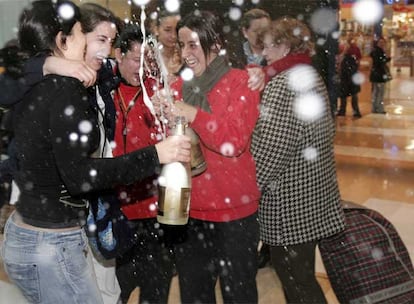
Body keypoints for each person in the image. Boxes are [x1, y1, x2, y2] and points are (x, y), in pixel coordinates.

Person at [1, 1, 190, 303]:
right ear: (66, 40)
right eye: (98, 40)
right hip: (52, 237)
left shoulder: (94, 80)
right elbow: (79, 176)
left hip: (49, 228)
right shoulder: (62, 86)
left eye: (111, 42)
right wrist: (155, 155)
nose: (107, 50)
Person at [159, 10, 261, 303]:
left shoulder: (241, 82)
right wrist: (158, 112)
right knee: (194, 294)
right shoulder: (177, 87)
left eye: (193, 44)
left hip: (233, 213)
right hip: (186, 209)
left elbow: (233, 142)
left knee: (238, 293)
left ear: (215, 43)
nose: (186, 53)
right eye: (182, 44)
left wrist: (192, 114)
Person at [251, 17, 345, 303]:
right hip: (312, 196)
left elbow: (270, 151)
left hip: (289, 204)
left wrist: (246, 186)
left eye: (267, 47)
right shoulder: (309, 75)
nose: (263, 54)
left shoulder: (282, 84)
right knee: (301, 274)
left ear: (284, 46)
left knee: (296, 278)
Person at [111, 25, 176, 304]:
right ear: (118, 55)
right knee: (117, 288)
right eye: (135, 60)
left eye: (146, 60)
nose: (141, 68)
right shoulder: (103, 90)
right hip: (117, 207)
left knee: (155, 288)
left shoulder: (157, 93)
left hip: (154, 207)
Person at [149, 9, 182, 84]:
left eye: (176, 30)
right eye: (167, 30)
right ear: (156, 29)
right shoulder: (148, 57)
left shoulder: (185, 55)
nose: (173, 36)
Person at [337, 41, 362, 118]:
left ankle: (347, 110)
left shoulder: (349, 57)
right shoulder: (344, 57)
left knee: (349, 96)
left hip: (348, 79)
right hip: (348, 79)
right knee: (347, 96)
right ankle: (350, 111)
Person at [369, 37, 391, 114]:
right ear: (378, 43)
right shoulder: (378, 52)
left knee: (376, 91)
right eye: (380, 42)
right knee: (380, 92)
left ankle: (375, 108)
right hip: (379, 75)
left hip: (376, 74)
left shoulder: (376, 51)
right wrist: (386, 58)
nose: (382, 44)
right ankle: (379, 108)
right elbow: (380, 62)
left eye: (383, 43)